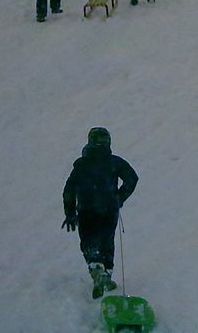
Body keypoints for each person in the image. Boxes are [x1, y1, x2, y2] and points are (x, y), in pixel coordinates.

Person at [61, 127, 139, 299]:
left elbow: (69, 189)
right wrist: (120, 197)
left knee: (89, 240)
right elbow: (132, 178)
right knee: (107, 241)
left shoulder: (82, 165)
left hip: (86, 210)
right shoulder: (114, 162)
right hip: (109, 209)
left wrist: (70, 212)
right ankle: (107, 273)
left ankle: (96, 267)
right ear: (108, 142)